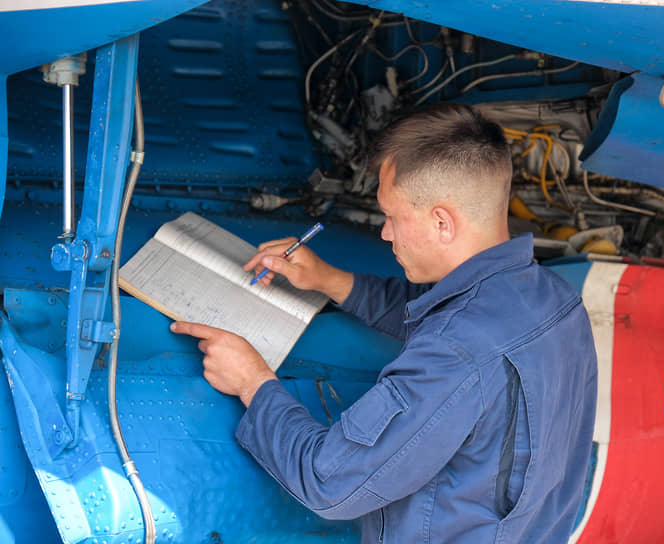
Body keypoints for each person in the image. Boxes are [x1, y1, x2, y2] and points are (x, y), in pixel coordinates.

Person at [171, 103, 598, 543]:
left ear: (441, 222)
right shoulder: (556, 301)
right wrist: (329, 280)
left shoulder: (455, 353)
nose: (385, 234)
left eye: (393, 217)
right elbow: (447, 314)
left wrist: (252, 382)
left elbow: (330, 485)